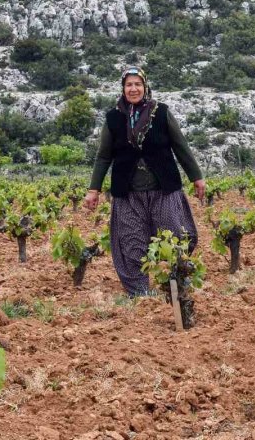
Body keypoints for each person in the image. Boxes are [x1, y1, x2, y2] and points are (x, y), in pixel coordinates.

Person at [84, 67, 206, 295]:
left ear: (145, 87)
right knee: (131, 243)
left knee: (175, 237)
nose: (133, 89)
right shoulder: (113, 118)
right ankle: (139, 295)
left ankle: (177, 286)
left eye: (137, 84)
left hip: (164, 190)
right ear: (123, 89)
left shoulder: (161, 113)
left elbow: (181, 147)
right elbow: (103, 156)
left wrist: (196, 177)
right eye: (129, 85)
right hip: (128, 193)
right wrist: (94, 189)